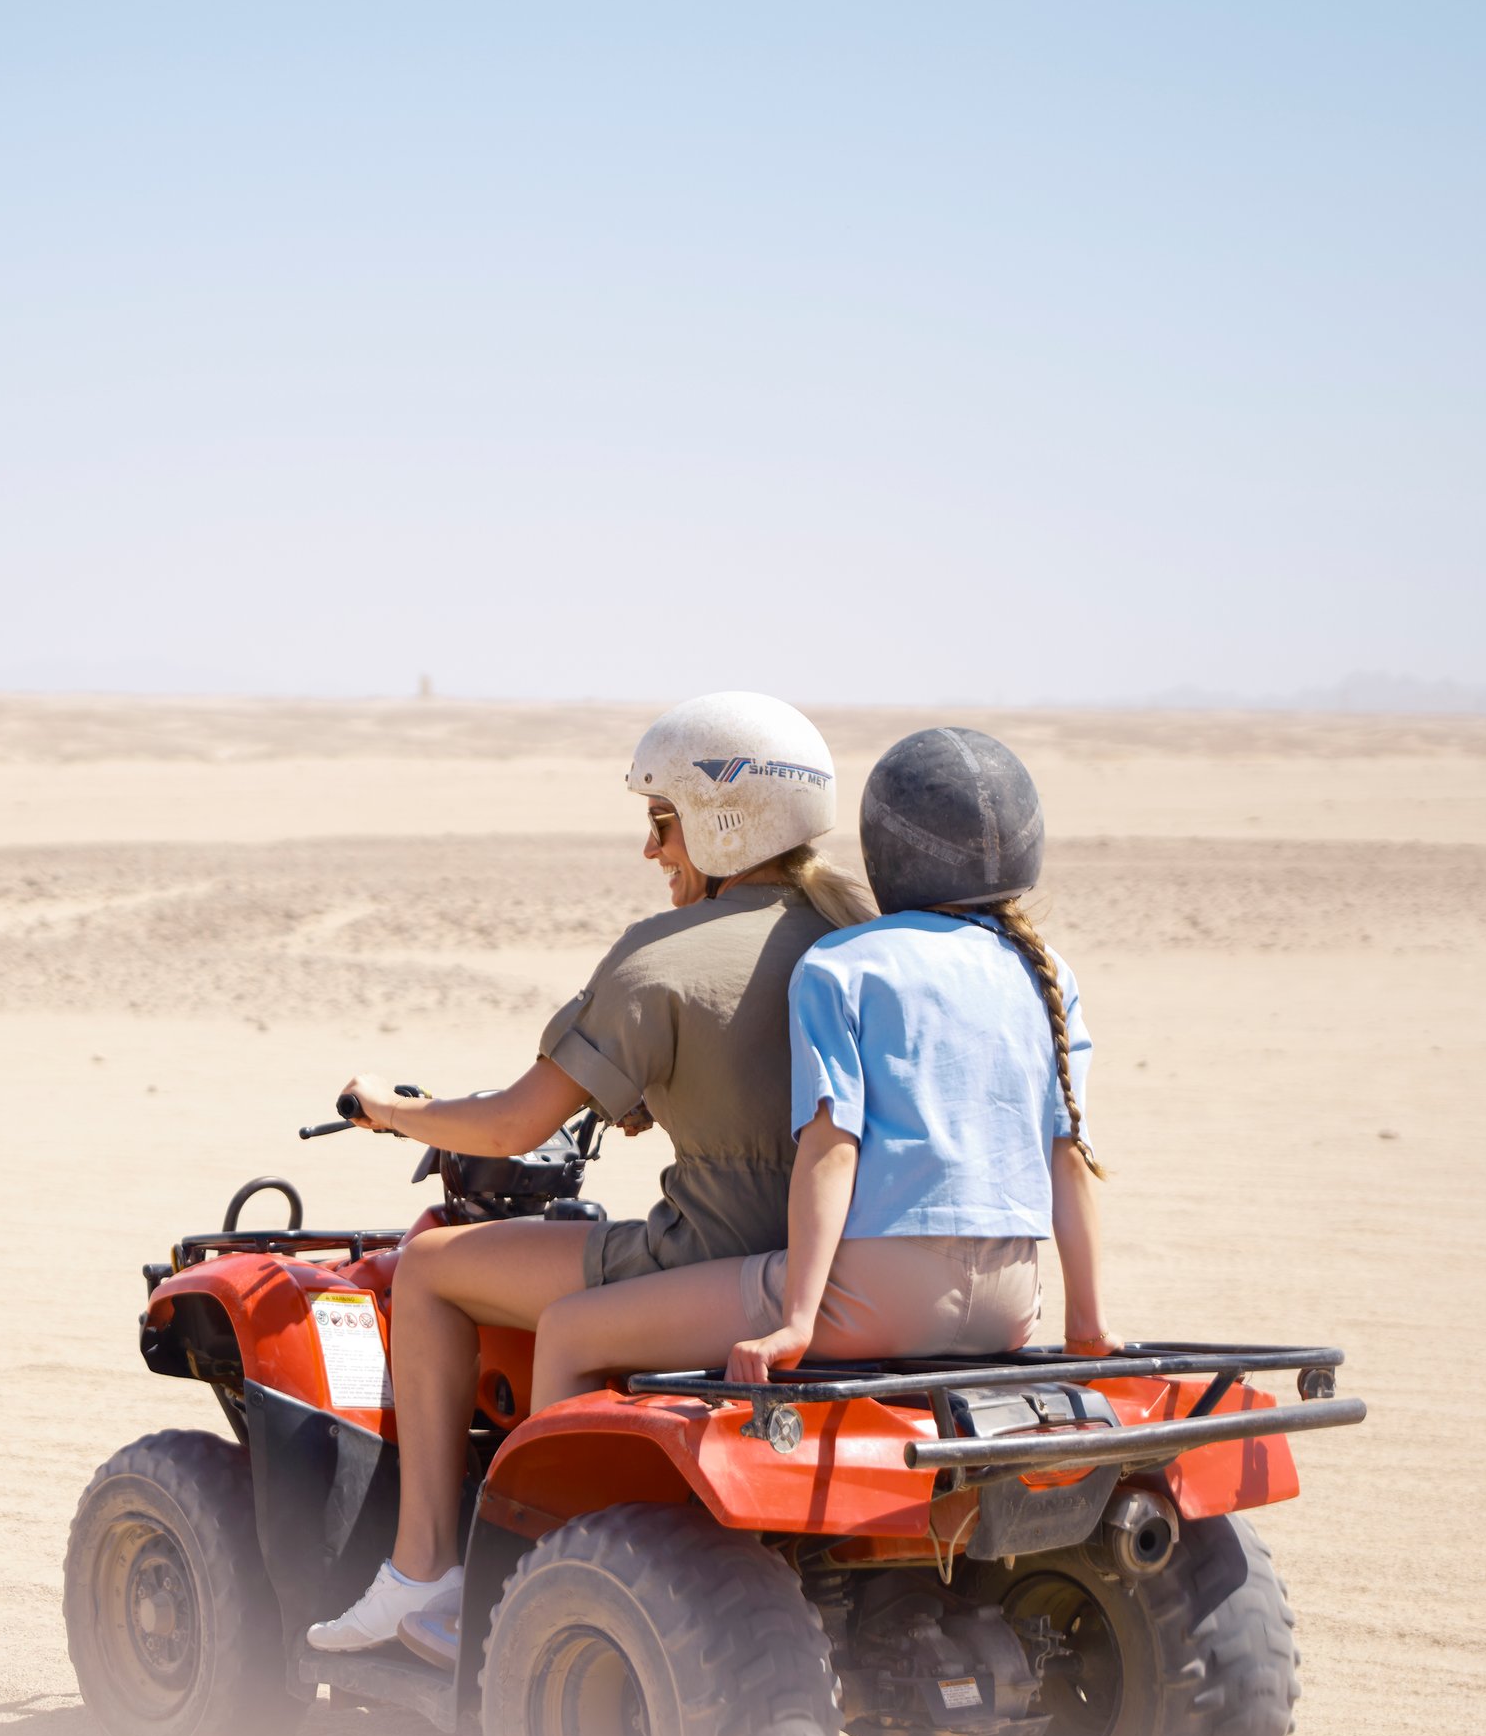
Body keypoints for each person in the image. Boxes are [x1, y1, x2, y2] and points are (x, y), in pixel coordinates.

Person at [308, 691, 874, 1662]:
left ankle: (425, 1570)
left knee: (435, 1266)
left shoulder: (661, 962)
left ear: (717, 824)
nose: (651, 853)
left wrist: (387, 1110)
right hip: (858, 1262)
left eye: (661, 825)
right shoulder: (860, 928)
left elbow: (512, 1120)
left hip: (709, 1252)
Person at [723, 725, 1110, 1383]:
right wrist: (1088, 1326)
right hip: (1011, 1307)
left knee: (584, 1325)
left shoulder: (841, 962)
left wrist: (797, 1321)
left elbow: (831, 1147)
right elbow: (1066, 1155)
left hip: (877, 1297)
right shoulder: (1046, 971)